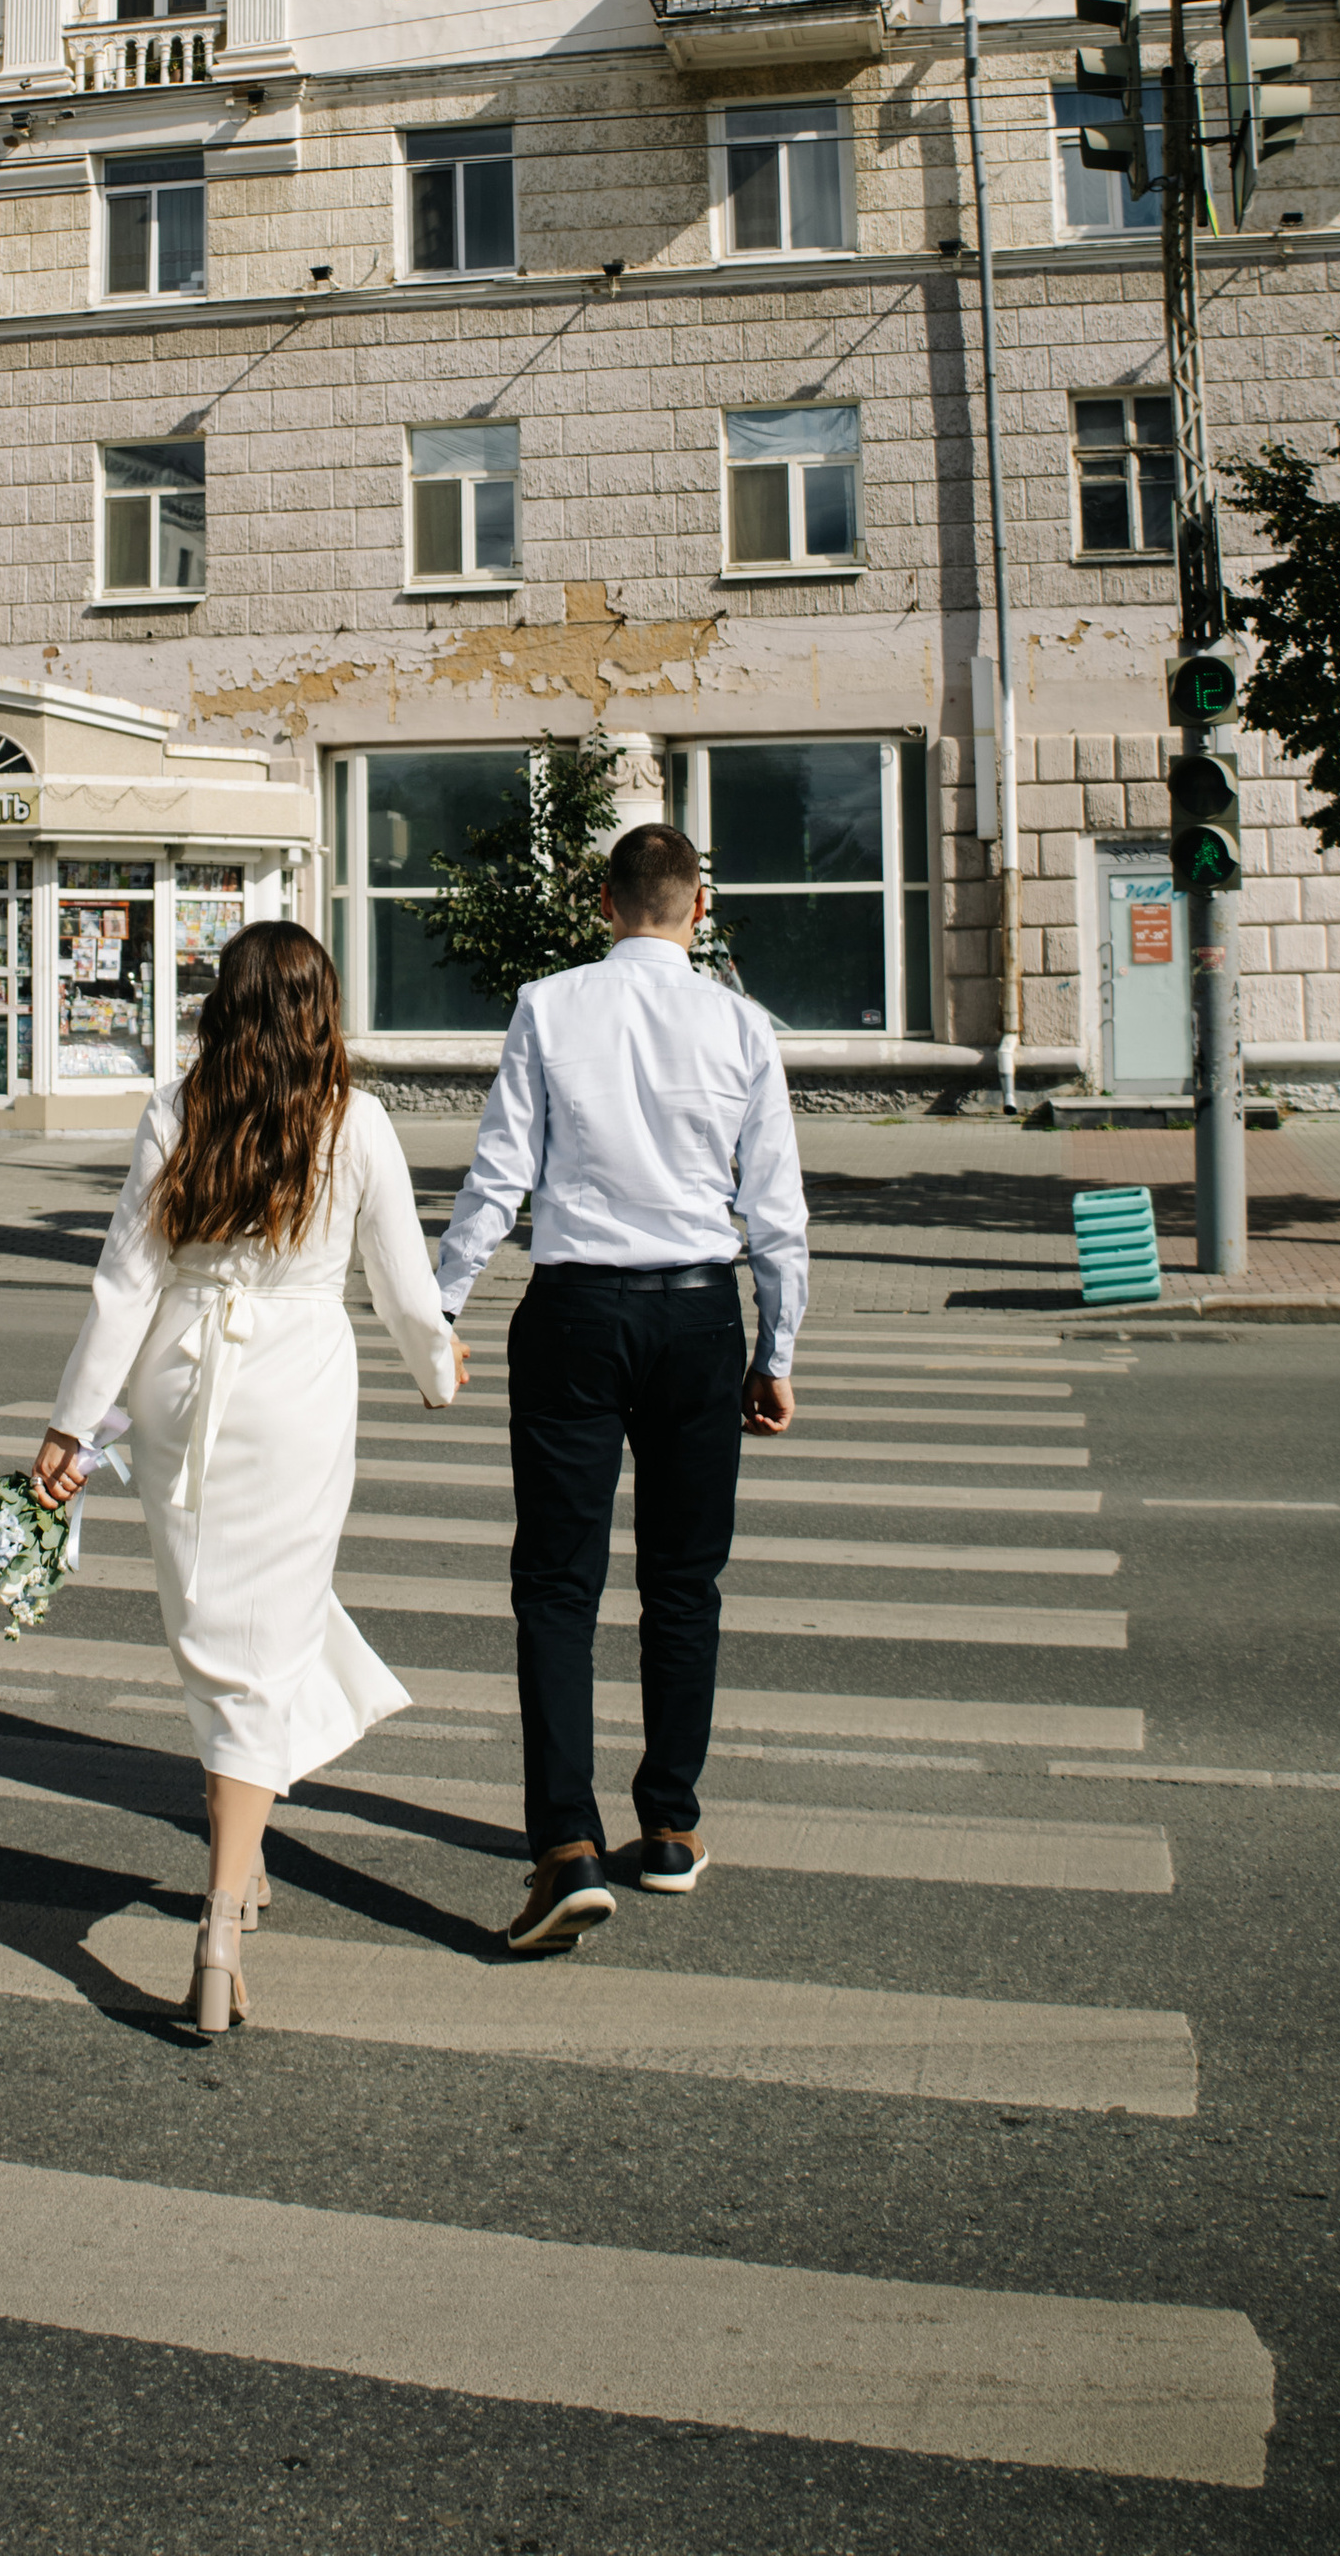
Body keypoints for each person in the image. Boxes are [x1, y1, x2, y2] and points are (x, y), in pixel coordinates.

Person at [31, 921, 466, 2036]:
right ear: (322, 1007)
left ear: (222, 1005)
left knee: (223, 1628)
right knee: (259, 1635)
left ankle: (245, 1854)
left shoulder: (179, 1109)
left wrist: (74, 1426)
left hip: (184, 1382)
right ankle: (223, 1913)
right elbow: (403, 1286)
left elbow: (123, 1283)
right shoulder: (356, 1120)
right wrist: (438, 1368)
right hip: (296, 1388)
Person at [435, 820, 808, 1955]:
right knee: (684, 1585)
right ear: (699, 910)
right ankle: (672, 1828)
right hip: (698, 1313)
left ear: (604, 905)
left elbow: (500, 1171)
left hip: (573, 1312)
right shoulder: (742, 1025)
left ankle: (564, 1844)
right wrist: (774, 1350)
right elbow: (776, 1209)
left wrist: (438, 1305)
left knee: (555, 1583)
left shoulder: (549, 1006)